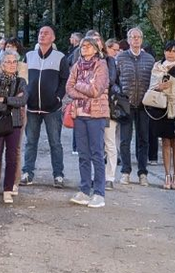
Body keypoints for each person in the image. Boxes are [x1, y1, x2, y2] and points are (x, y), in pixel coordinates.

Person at [21, 26, 69, 187]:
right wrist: (25, 96)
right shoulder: (28, 56)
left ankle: (58, 175)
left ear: (53, 38)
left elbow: (65, 80)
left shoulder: (60, 57)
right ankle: (27, 172)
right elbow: (22, 79)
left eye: (46, 33)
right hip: (32, 107)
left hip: (52, 108)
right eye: (40, 32)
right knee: (30, 142)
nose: (42, 35)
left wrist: (58, 97)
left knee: (55, 142)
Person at [66, 34, 109, 207]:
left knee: (97, 153)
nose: (84, 48)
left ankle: (99, 192)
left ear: (96, 48)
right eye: (83, 46)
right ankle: (84, 190)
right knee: (83, 154)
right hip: (80, 114)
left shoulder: (101, 65)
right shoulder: (77, 65)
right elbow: (69, 87)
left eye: (88, 46)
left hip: (96, 115)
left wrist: (79, 85)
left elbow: (96, 90)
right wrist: (82, 88)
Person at [0, 49, 28, 204]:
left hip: (15, 122)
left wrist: (3, 100)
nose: (11, 65)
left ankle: (8, 189)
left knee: (12, 157)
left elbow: (23, 101)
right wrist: (11, 102)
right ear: (1, 64)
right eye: (7, 62)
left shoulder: (21, 81)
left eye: (14, 62)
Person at [116, 28, 156, 185]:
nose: (136, 40)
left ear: (142, 39)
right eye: (133, 37)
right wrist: (120, 94)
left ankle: (142, 172)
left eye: (138, 37)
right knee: (125, 139)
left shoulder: (150, 59)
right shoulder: (120, 58)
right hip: (126, 103)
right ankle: (125, 171)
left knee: (143, 139)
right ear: (128, 40)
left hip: (144, 104)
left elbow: (154, 80)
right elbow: (114, 80)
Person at [147, 41, 175, 191]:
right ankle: (167, 175)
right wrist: (159, 87)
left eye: (174, 51)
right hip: (161, 106)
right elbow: (152, 85)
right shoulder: (157, 66)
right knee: (165, 142)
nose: (171, 53)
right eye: (168, 50)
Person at [104, 38, 124, 189]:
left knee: (110, 142)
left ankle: (110, 176)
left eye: (117, 50)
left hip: (111, 106)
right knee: (99, 144)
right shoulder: (101, 61)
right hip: (99, 105)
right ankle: (100, 175)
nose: (116, 53)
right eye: (114, 49)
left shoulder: (114, 62)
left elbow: (113, 82)